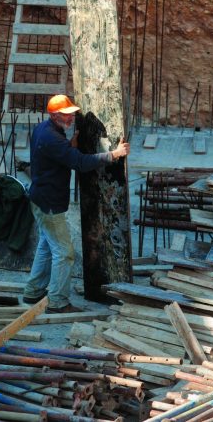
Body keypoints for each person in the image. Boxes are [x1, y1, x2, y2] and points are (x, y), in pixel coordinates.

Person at [22, 94, 131, 313]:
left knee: (46, 245)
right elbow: (80, 163)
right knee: (64, 252)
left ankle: (33, 292)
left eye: (72, 115)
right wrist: (113, 155)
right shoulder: (52, 138)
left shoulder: (46, 130)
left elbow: (61, 157)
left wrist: (68, 147)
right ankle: (58, 302)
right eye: (66, 115)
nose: (71, 119)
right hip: (49, 202)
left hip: (41, 197)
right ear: (54, 116)